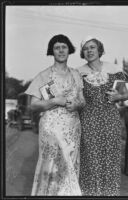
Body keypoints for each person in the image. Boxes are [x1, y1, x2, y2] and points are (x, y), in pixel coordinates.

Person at [25, 34, 85, 196]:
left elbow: (82, 100)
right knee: (51, 165)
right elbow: (33, 105)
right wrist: (55, 101)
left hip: (73, 128)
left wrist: (77, 104)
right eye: (57, 47)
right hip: (51, 129)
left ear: (69, 50)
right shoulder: (43, 75)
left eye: (64, 47)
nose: (61, 51)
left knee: (69, 166)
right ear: (52, 51)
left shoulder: (76, 74)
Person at [77, 36, 128, 196]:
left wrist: (117, 97)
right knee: (90, 160)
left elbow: (125, 95)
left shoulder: (114, 69)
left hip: (110, 121)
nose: (89, 51)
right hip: (88, 121)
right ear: (82, 53)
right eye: (86, 49)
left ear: (100, 50)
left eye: (92, 47)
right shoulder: (78, 73)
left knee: (110, 158)